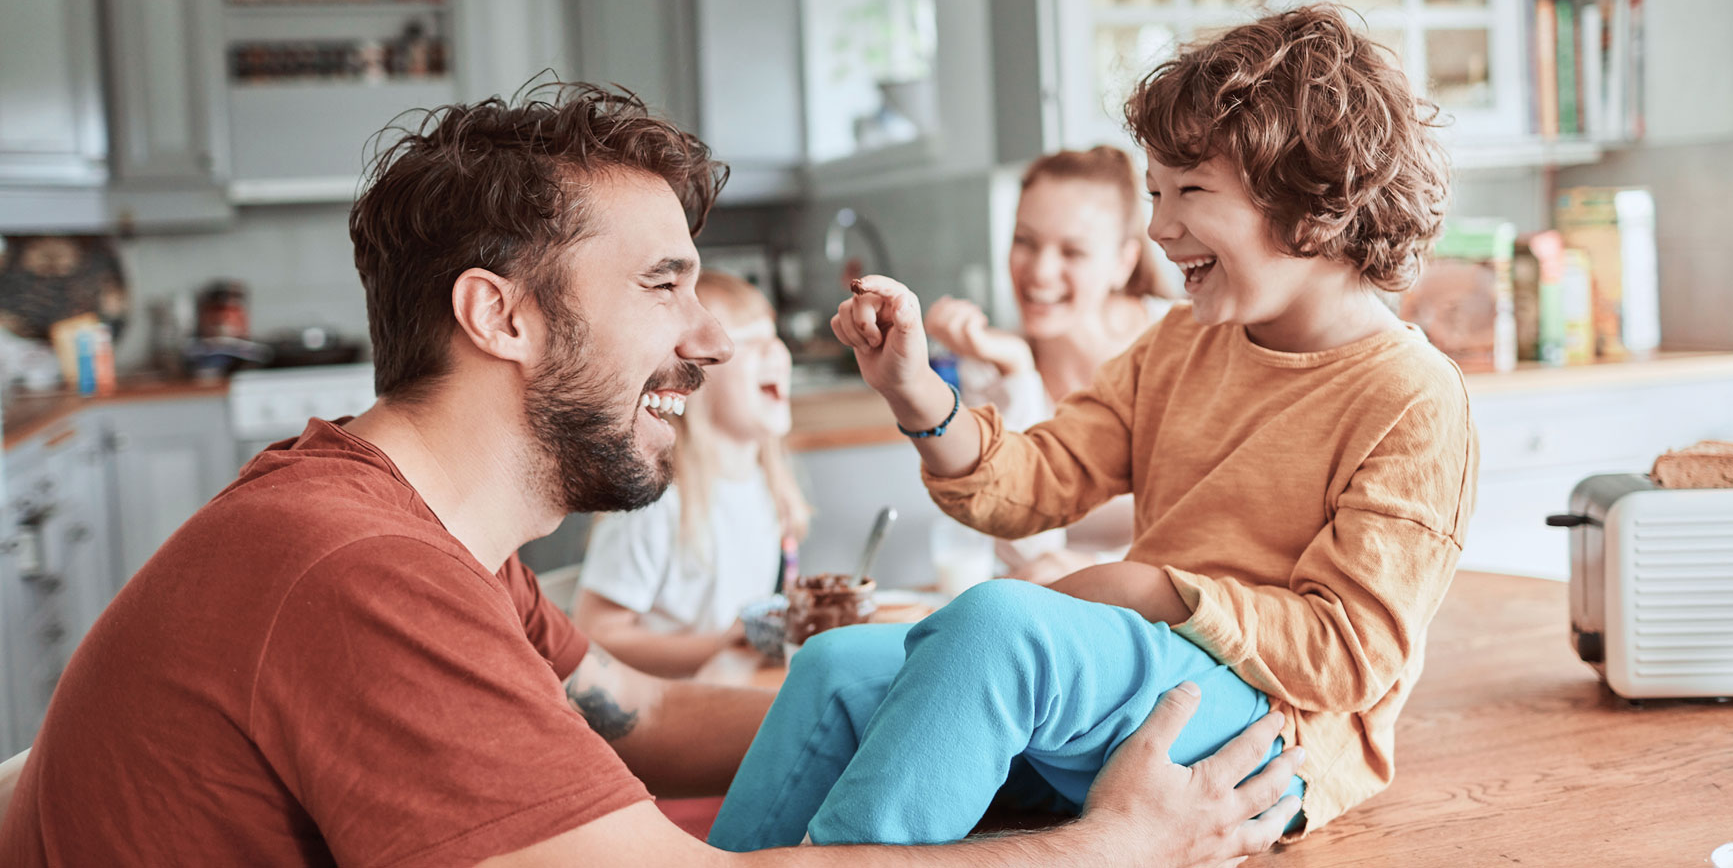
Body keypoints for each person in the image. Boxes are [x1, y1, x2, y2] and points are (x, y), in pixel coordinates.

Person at [0, 83, 1300, 868]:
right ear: (499, 316)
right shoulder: (358, 575)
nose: (707, 341)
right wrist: (1104, 844)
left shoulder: (424, 541)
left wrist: (975, 701)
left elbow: (643, 716)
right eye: (664, 286)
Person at [710, 4, 1474, 850]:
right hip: (1147, 667)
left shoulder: (1412, 397)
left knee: (999, 627)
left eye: (1190, 191)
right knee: (833, 666)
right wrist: (916, 391)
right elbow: (1036, 481)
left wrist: (1150, 588)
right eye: (1154, 192)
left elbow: (1348, 654)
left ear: (1309, 202)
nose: (1159, 227)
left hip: (1276, 725)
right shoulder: (1185, 341)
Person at [924, 145, 1177, 580]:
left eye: (1072, 252)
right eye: (1025, 241)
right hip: (1051, 603)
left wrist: (1096, 568)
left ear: (1123, 264)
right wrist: (1019, 373)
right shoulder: (992, 364)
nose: (1039, 271)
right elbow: (1020, 542)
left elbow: (1210, 536)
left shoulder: (1180, 343)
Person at [573, 270, 809, 678]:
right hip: (670, 712)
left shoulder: (765, 486)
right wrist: (718, 646)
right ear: (693, 375)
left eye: (774, 337)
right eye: (749, 342)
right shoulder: (657, 502)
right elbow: (595, 633)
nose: (775, 353)